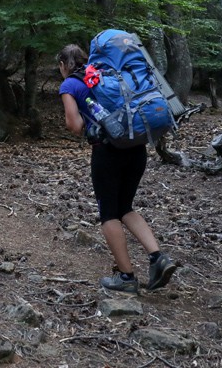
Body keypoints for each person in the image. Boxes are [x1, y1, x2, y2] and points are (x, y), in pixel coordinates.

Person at [57, 43, 178, 294]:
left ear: (63, 65)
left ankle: (126, 277)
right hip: (136, 148)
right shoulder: (105, 77)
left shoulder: (70, 85)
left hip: (107, 152)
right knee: (125, 207)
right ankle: (158, 257)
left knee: (109, 213)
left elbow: (74, 125)